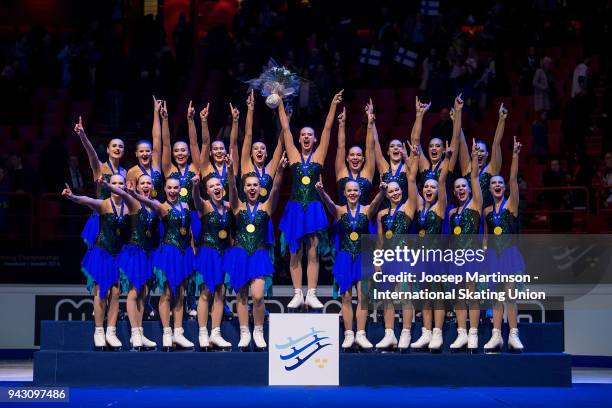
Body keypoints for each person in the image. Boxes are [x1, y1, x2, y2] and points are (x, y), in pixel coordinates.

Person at [278, 90, 343, 310]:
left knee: (313, 250)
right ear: (299, 138)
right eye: (303, 134)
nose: (306, 137)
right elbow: (285, 129)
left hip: (314, 207)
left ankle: (312, 293)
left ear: (314, 139)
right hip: (296, 207)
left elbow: (327, 129)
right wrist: (279, 102)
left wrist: (333, 104)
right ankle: (297, 292)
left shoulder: (319, 156)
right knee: (295, 249)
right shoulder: (294, 156)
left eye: (310, 135)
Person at [224, 155, 287, 351]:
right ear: (244, 189)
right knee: (241, 295)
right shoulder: (237, 207)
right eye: (248, 185)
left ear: (260, 189)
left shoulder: (266, 207)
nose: (252, 188)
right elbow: (232, 188)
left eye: (255, 185)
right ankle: (244, 331)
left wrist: (281, 171)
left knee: (258, 296)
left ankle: (258, 330)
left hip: (259, 254)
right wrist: (231, 170)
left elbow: (275, 189)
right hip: (240, 254)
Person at [315, 177, 386, 351]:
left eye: (356, 190)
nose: (353, 193)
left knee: (363, 298)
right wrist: (321, 191)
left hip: (363, 258)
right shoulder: (340, 211)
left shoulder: (367, 211)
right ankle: (348, 334)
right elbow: (329, 203)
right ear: (345, 193)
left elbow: (376, 202)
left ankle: (361, 334)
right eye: (349, 190)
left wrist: (383, 191)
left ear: (360, 193)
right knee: (345, 297)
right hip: (345, 258)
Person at [62, 175, 129, 351]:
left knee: (116, 292)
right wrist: (73, 196)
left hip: (119, 254)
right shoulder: (104, 204)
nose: (117, 186)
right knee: (101, 291)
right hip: (102, 252)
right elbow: (87, 201)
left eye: (120, 183)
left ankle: (111, 331)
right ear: (109, 186)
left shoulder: (129, 206)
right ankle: (99, 331)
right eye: (114, 183)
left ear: (125, 185)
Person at [130, 177, 196, 351]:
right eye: (169, 188)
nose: (173, 191)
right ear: (164, 189)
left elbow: (188, 231)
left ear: (180, 189)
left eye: (176, 188)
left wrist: (193, 249)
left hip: (185, 253)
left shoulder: (186, 207)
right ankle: (167, 333)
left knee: (181, 293)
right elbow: (146, 201)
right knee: (168, 293)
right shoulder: (161, 206)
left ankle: (178, 333)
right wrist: (134, 194)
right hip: (169, 253)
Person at [100, 175, 159, 351]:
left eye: (149, 182)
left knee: (144, 292)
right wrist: (107, 185)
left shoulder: (155, 205)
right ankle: (134, 333)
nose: (146, 185)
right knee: (134, 292)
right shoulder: (133, 202)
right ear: (137, 186)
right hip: (134, 253)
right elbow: (121, 193)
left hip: (149, 254)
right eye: (143, 183)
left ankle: (139, 332)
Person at [373, 142, 420, 351]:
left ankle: (406, 332)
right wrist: (377, 263)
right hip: (388, 260)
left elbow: (411, 179)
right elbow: (380, 242)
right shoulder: (381, 215)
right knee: (387, 297)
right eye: (390, 191)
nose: (394, 193)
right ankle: (389, 333)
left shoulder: (409, 208)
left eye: (397, 190)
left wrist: (411, 159)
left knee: (404, 295)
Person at [483, 136, 525, 353]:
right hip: (493, 256)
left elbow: (513, 180)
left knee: (510, 295)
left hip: (509, 254)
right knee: (496, 297)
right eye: (494, 184)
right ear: (489, 189)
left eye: (500, 183)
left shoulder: (511, 205)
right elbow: (487, 236)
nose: (498, 186)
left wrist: (515, 156)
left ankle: (513, 335)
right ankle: (496, 335)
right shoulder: (487, 212)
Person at [192, 164, 234, 351]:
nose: (216, 188)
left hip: (224, 253)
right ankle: (202, 332)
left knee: (221, 292)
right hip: (207, 254)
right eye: (212, 186)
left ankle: (215, 333)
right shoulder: (205, 207)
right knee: (206, 292)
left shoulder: (229, 206)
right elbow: (196, 199)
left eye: (219, 185)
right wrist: (194, 186)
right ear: (207, 191)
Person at [448, 139, 483, 353]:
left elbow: (475, 176)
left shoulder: (476, 204)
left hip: (472, 255)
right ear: (454, 191)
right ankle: (461, 332)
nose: (461, 189)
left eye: (464, 187)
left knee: (472, 294)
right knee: (459, 295)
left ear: (469, 190)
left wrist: (473, 157)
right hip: (456, 257)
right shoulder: (452, 213)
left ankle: (474, 333)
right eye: (457, 187)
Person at [75, 116, 126, 248]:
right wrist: (83, 136)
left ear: (123, 151)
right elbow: (91, 153)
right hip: (102, 216)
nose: (117, 148)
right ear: (108, 149)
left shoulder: (126, 172)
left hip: (119, 218)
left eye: (120, 146)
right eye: (114, 146)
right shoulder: (100, 168)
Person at [457, 100, 507, 209]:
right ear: (472, 153)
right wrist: (457, 115)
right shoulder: (467, 168)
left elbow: (496, 144)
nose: (479, 153)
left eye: (482, 151)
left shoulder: (492, 169)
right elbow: (461, 142)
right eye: (477, 150)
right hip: (469, 216)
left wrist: (501, 120)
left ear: (487, 154)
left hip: (487, 215)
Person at [161, 100, 201, 237]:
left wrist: (190, 120)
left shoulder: (195, 167)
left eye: (183, 150)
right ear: (172, 154)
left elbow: (194, 143)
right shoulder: (169, 170)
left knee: (193, 251)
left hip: (193, 214)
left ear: (189, 153)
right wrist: (165, 120)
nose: (180, 153)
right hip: (172, 215)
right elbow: (166, 144)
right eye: (176, 151)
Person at [240, 89, 285, 204]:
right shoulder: (246, 165)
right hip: (246, 216)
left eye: (262, 148)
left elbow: (281, 143)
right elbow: (248, 134)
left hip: (265, 216)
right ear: (250, 153)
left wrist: (284, 114)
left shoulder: (270, 168)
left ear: (266, 153)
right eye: (255, 148)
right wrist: (250, 109)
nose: (259, 150)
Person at [335, 101, 375, 206]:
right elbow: (341, 147)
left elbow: (370, 148)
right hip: (343, 220)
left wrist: (370, 123)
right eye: (352, 155)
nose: (355, 157)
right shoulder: (341, 172)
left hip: (364, 221)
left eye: (358, 155)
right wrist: (342, 124)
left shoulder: (368, 173)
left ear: (363, 159)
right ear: (347, 158)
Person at [198, 102, 240, 201]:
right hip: (211, 212)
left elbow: (233, 143)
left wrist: (235, 121)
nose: (219, 151)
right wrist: (204, 121)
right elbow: (205, 143)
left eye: (221, 148)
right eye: (215, 149)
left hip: (231, 212)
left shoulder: (232, 166)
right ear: (210, 153)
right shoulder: (206, 168)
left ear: (226, 151)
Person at [126, 96, 164, 200]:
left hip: (159, 211)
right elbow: (130, 198)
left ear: (152, 153)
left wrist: (156, 112)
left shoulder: (156, 164)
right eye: (141, 151)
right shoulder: (132, 172)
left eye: (147, 151)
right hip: (142, 212)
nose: (144, 153)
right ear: (136, 154)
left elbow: (157, 137)